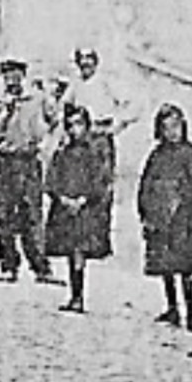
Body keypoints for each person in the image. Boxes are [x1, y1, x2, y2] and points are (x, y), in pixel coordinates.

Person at [137, 103, 192, 334]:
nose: (172, 132)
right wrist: (146, 212)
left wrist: (181, 206)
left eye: (176, 126)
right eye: (166, 128)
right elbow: (146, 185)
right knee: (166, 267)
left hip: (184, 221)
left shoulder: (191, 153)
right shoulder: (157, 156)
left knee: (185, 269)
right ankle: (171, 308)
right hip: (160, 221)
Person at [0, 58, 60, 284]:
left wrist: (45, 144)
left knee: (31, 214)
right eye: (7, 76)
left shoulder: (36, 98)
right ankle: (8, 266)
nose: (12, 80)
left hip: (28, 161)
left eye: (16, 75)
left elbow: (55, 119)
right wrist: (6, 110)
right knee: (4, 215)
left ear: (23, 76)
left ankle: (40, 266)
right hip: (4, 160)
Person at [43, 103, 112, 313]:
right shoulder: (62, 154)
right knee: (70, 252)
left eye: (80, 125)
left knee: (79, 253)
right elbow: (52, 180)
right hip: (65, 210)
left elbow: (100, 181)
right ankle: (74, 294)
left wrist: (83, 199)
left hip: (85, 211)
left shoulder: (94, 154)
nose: (75, 130)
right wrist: (62, 198)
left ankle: (78, 296)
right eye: (71, 125)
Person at [62, 46, 135, 188]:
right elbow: (65, 106)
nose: (85, 62)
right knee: (81, 180)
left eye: (88, 58)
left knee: (102, 182)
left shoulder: (106, 81)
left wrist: (116, 127)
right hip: (81, 138)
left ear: (95, 61)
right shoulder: (76, 84)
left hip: (100, 137)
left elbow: (131, 105)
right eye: (81, 59)